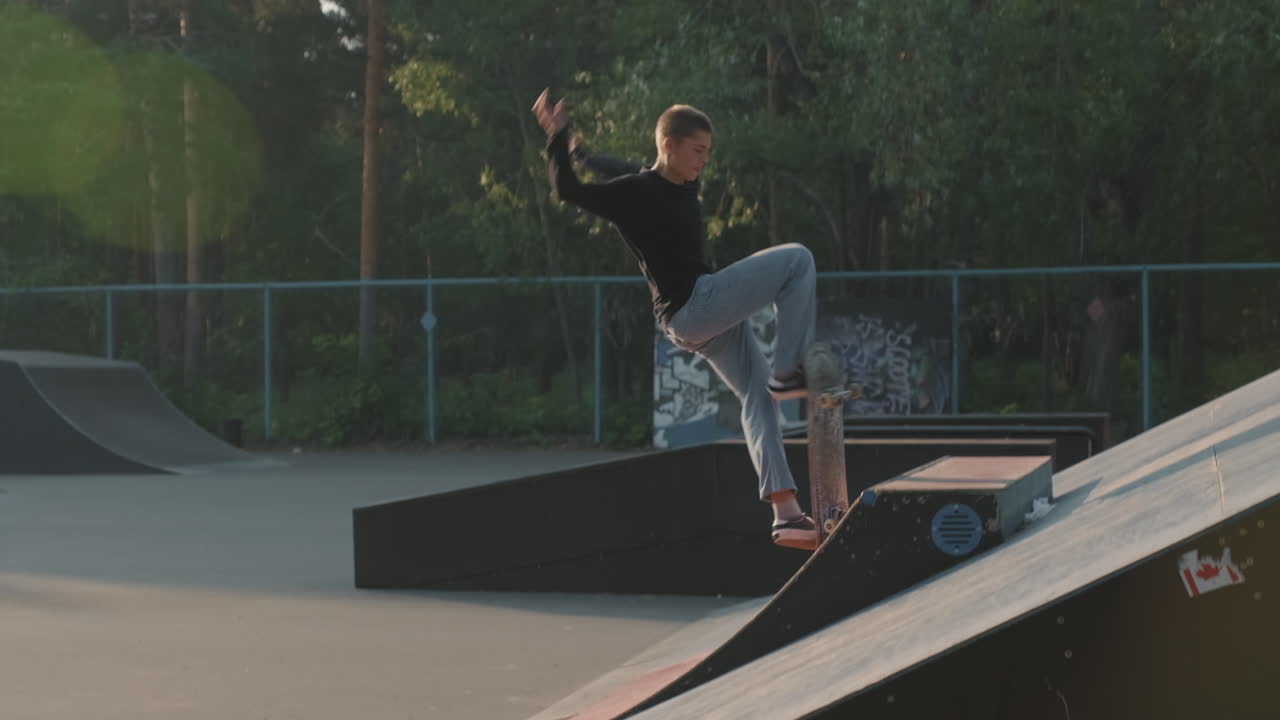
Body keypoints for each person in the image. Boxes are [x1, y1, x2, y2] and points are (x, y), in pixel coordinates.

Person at [532, 89, 820, 551]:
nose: (704, 162)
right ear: (669, 145)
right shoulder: (635, 194)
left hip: (695, 323)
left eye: (708, 153)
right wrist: (556, 137)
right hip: (696, 304)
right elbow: (570, 191)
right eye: (698, 151)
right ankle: (790, 370)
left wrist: (579, 150)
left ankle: (785, 513)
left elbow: (611, 166)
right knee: (797, 261)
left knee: (757, 396)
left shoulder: (674, 181)